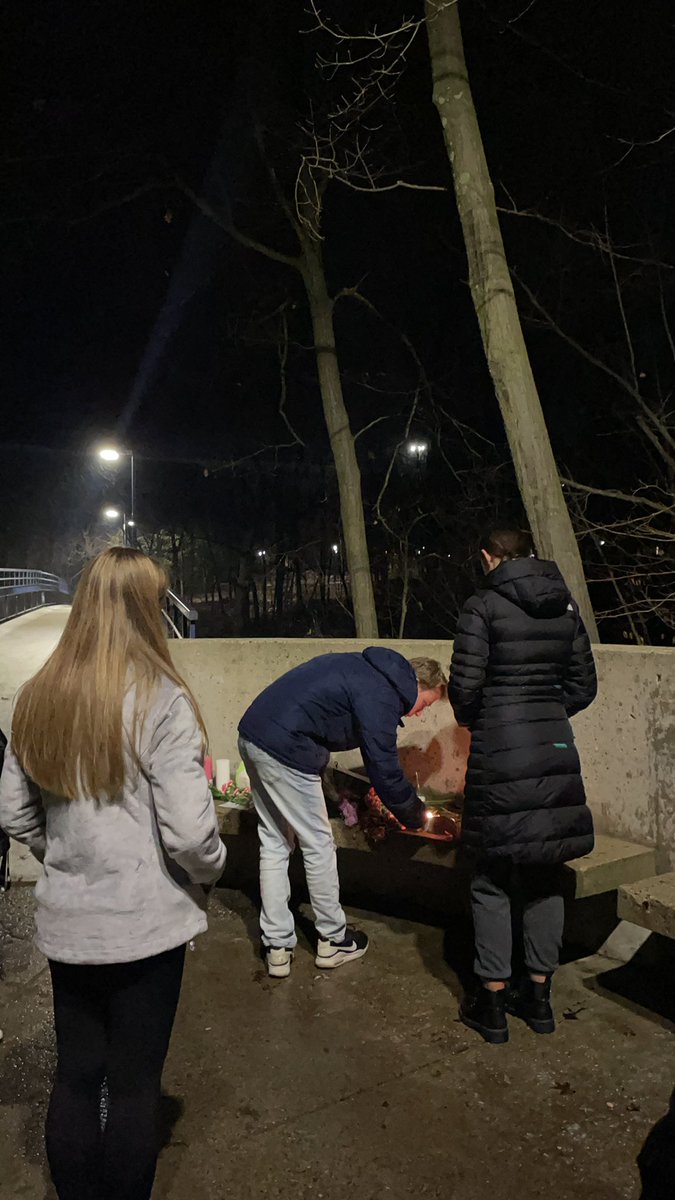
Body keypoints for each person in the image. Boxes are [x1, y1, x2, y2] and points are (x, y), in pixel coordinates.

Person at [0, 547, 226, 1200]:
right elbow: (190, 835)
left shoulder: (39, 695)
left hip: (70, 923)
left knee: (74, 1076)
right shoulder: (161, 699)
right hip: (145, 928)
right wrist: (207, 873)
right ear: (146, 609)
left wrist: (61, 860)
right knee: (132, 1088)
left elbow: (13, 810)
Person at [449, 529, 597, 1045]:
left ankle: (491, 1001)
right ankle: (538, 997)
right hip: (553, 745)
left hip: (500, 751)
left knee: (490, 875)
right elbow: (584, 685)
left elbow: (464, 688)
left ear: (489, 556)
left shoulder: (482, 604)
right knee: (545, 873)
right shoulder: (566, 602)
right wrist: (546, 716)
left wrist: (490, 721)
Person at [238, 650, 446, 977]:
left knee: (275, 843)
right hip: (287, 749)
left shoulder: (367, 670)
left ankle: (277, 947)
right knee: (319, 845)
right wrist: (417, 816)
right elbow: (385, 769)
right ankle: (333, 940)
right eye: (427, 704)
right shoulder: (383, 693)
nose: (421, 714)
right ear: (418, 683)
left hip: (254, 734)